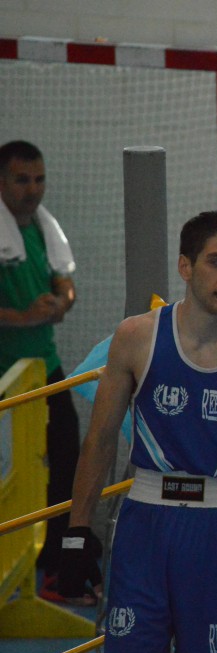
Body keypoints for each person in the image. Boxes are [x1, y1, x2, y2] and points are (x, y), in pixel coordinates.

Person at [57, 208, 217, 653]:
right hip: (144, 525)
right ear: (185, 267)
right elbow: (100, 441)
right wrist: (77, 531)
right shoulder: (136, 337)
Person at [0, 140, 80, 600]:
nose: (33, 190)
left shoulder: (44, 229)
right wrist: (25, 316)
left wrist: (61, 302)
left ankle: (55, 565)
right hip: (4, 376)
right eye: (22, 179)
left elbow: (65, 282)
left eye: (39, 179)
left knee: (68, 460)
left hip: (43, 370)